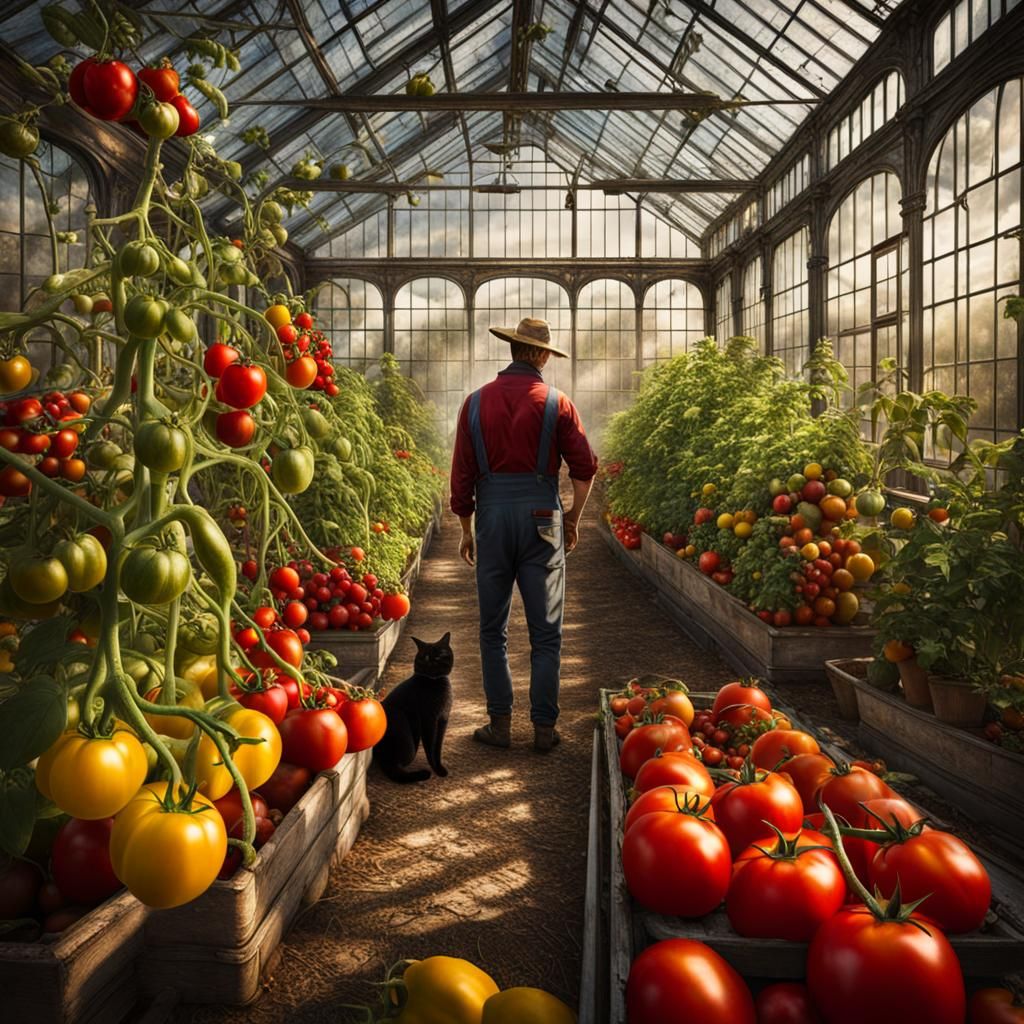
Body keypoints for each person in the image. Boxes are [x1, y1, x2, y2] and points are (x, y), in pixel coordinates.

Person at [450, 317, 598, 753]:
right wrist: (572, 519)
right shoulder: (557, 403)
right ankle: (544, 729)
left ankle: (499, 725)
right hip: (543, 518)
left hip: (492, 518)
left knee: (492, 629)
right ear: (541, 355)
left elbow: (462, 478)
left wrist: (466, 529)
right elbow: (585, 470)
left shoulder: (474, 403)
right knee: (546, 631)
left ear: (514, 349)